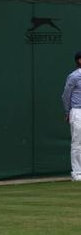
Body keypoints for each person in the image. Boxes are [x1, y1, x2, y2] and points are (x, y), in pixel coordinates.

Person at [62, 51, 81, 182]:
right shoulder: (73, 77)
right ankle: (77, 173)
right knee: (77, 143)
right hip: (77, 111)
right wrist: (68, 112)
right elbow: (65, 96)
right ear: (79, 60)